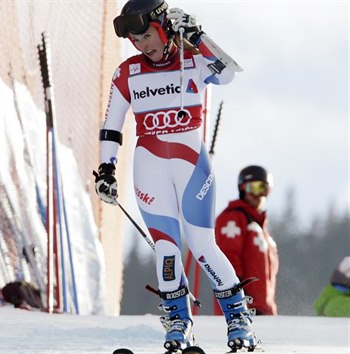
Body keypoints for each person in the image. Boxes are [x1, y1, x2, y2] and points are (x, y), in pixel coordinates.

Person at [93, 0, 258, 352]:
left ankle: (238, 319)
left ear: (165, 26)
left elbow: (228, 73)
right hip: (148, 165)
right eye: (135, 40)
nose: (143, 45)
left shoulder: (194, 60)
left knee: (201, 246)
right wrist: (106, 169)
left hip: (191, 166)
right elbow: (111, 126)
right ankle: (179, 323)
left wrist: (198, 37)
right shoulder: (127, 73)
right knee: (166, 249)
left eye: (147, 35)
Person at [213, 166, 279, 316]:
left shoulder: (262, 229)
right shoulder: (233, 218)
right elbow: (228, 259)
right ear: (243, 188)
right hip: (242, 309)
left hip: (264, 310)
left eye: (263, 189)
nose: (258, 194)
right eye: (253, 187)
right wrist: (237, 300)